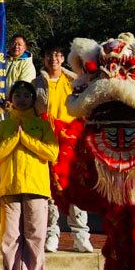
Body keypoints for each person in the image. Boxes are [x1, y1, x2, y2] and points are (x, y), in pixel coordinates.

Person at [0, 80, 59, 270]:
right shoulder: (3, 127)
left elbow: (52, 153)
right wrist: (14, 139)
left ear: (33, 100)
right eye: (17, 95)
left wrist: (25, 139)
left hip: (36, 188)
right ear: (11, 99)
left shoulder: (41, 125)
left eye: (27, 96)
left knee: (35, 236)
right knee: (10, 237)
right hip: (10, 187)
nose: (22, 99)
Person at [34, 45, 92, 253]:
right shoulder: (36, 83)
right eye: (50, 55)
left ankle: (81, 235)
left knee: (75, 186)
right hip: (48, 140)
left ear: (63, 58)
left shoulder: (75, 81)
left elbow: (85, 107)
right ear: (44, 58)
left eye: (58, 55)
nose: (54, 59)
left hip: (72, 141)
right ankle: (52, 233)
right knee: (50, 189)